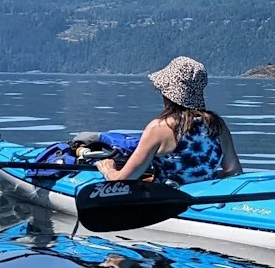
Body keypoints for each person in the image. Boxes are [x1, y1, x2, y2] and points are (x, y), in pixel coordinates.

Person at [95, 56, 242, 186]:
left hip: (166, 202)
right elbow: (234, 172)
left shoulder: (159, 128)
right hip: (201, 198)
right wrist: (204, 177)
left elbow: (123, 180)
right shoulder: (217, 125)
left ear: (168, 93)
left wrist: (109, 170)